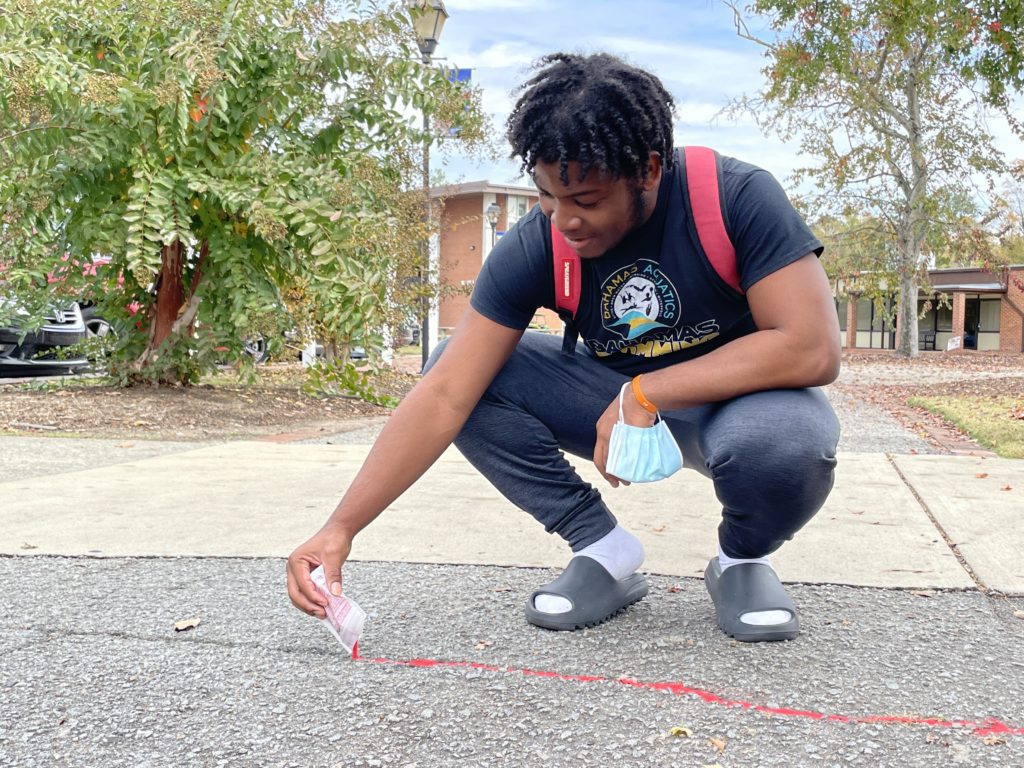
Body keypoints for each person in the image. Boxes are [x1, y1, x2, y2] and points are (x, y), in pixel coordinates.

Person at [287, 52, 841, 643]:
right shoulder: (538, 243)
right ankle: (604, 551)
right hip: (605, 404)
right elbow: (446, 394)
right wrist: (341, 528)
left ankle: (741, 561)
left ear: (649, 170)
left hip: (738, 406)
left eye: (587, 201)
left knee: (789, 445)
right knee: (455, 365)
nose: (564, 220)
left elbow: (810, 348)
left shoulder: (736, 197)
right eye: (549, 196)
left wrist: (649, 389)